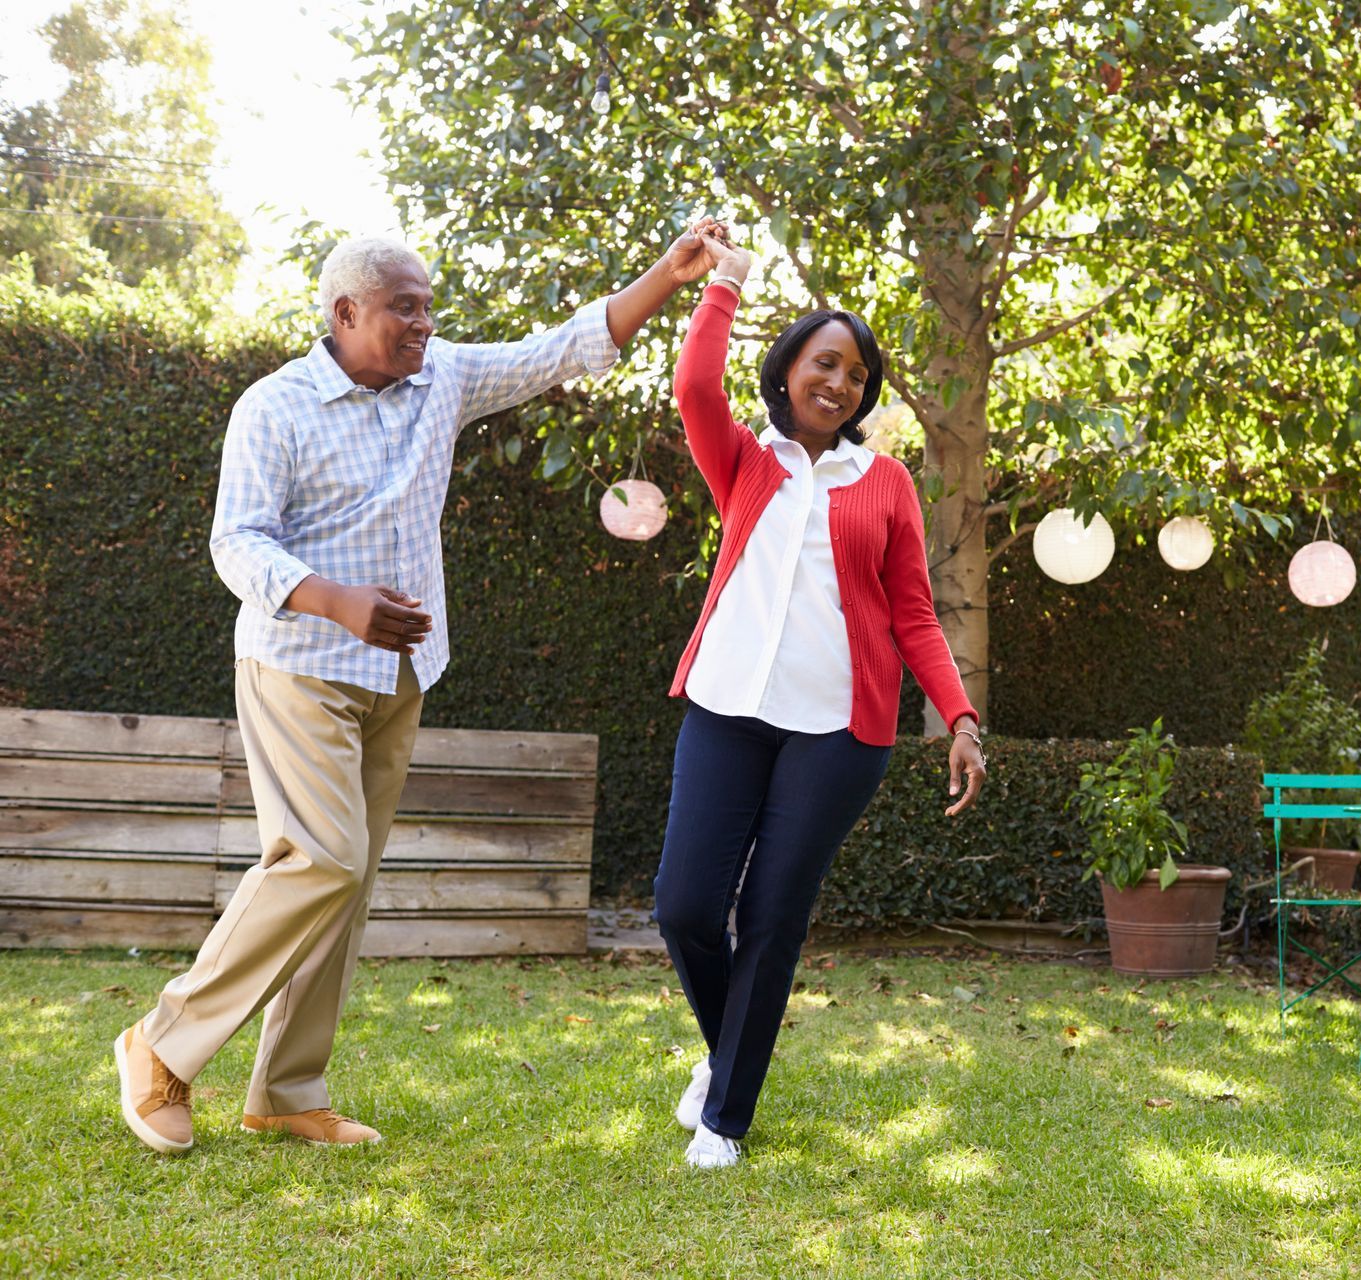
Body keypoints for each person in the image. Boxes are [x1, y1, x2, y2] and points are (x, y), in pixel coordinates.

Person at [113, 222, 730, 1155]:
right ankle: (161, 1043)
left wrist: (666, 275)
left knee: (345, 880)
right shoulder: (274, 407)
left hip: (398, 674)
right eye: (405, 307)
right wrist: (338, 603)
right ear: (345, 311)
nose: (424, 324)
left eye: (429, 305)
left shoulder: (440, 377)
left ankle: (286, 1088)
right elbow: (236, 542)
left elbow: (556, 349)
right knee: (318, 857)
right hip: (298, 663)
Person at [655, 231, 987, 1169]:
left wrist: (959, 717)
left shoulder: (884, 483)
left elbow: (916, 615)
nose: (838, 382)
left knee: (770, 918)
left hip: (838, 734)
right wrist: (725, 283)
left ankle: (725, 1118)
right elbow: (692, 389)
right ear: (790, 370)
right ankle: (730, 1058)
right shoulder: (746, 464)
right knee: (684, 906)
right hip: (726, 709)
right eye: (823, 362)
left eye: (856, 372)